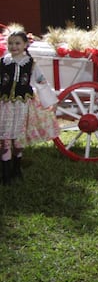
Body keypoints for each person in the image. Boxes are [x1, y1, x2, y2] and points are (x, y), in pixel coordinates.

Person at [0, 30, 59, 185]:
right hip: (5, 107)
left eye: (17, 43)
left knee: (18, 139)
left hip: (22, 107)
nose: (14, 46)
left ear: (25, 45)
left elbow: (41, 83)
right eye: (10, 43)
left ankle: (16, 168)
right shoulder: (3, 62)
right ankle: (5, 175)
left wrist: (50, 101)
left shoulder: (30, 64)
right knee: (5, 138)